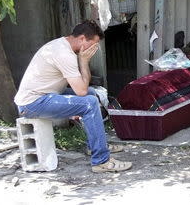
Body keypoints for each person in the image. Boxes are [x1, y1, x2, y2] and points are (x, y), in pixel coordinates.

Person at [14, 20, 132, 173]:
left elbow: (83, 88)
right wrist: (83, 62)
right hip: (32, 103)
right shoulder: (63, 54)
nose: (94, 49)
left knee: (92, 94)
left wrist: (83, 62)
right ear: (82, 39)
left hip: (47, 95)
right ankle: (101, 161)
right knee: (88, 103)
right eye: (94, 44)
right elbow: (81, 91)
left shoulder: (63, 45)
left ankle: (94, 145)